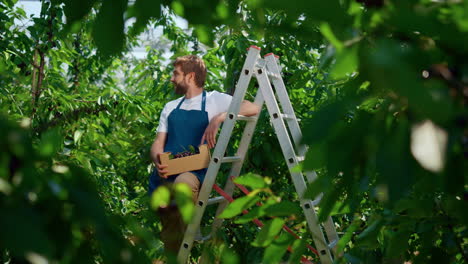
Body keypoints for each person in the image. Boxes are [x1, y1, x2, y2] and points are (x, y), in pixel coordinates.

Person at [149, 55, 260, 255]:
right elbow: (158, 142)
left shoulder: (214, 100)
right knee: (170, 237)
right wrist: (158, 158)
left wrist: (220, 117)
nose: (171, 78)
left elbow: (252, 107)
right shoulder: (171, 107)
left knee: (183, 185)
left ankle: (192, 228)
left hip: (194, 171)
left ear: (190, 77)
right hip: (167, 172)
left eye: (176, 74)